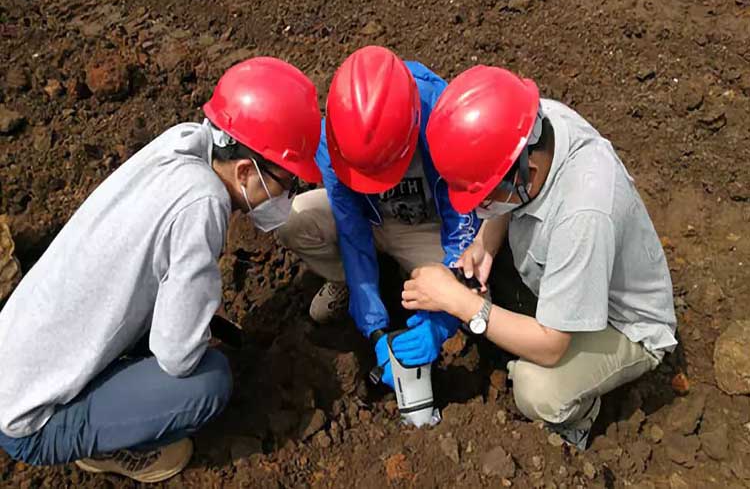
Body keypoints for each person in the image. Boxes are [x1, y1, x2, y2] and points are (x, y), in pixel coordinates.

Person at [0, 57, 322, 482]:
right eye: (285, 182)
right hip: (27, 422)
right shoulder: (202, 203)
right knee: (207, 384)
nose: (286, 194)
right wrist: (195, 329)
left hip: (16, 355)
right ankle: (106, 446)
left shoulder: (184, 143)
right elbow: (176, 356)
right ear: (245, 170)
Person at [401, 65, 677, 448]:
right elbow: (509, 193)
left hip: (624, 324)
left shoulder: (583, 214)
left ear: (523, 174)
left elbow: (551, 347)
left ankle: (580, 415)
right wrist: (485, 245)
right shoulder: (529, 127)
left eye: (485, 200)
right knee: (485, 283)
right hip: (565, 265)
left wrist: (459, 303)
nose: (480, 210)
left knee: (536, 389)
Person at [278, 46, 480, 387]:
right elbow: (350, 226)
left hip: (428, 226)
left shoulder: (443, 115)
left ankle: (412, 282)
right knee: (294, 220)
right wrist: (373, 327)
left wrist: (443, 313)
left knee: (475, 290)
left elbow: (463, 218)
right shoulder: (335, 133)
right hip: (371, 222)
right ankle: (350, 285)